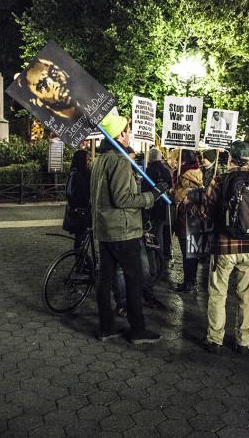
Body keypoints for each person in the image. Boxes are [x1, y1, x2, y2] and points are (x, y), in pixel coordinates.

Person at [190, 141, 249, 355]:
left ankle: (215, 339)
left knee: (218, 293)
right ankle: (243, 341)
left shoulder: (220, 180)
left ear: (230, 159)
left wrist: (192, 206)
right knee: (246, 295)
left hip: (224, 246)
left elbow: (205, 212)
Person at [90, 113, 168, 343]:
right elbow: (123, 198)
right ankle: (137, 329)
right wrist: (152, 196)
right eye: (128, 130)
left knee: (105, 280)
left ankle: (107, 327)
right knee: (134, 280)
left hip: (105, 229)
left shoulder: (100, 160)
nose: (130, 133)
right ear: (120, 134)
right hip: (123, 231)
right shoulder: (121, 160)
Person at [172, 150, 203, 292]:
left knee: (186, 254)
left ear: (183, 161)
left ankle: (188, 283)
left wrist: (173, 192)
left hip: (186, 219)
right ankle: (192, 281)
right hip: (197, 219)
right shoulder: (199, 173)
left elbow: (178, 197)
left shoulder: (184, 175)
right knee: (193, 253)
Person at [63, 149, 91, 249]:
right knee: (80, 237)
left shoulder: (83, 173)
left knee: (81, 237)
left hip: (81, 210)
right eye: (87, 160)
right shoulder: (76, 174)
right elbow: (73, 194)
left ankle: (82, 260)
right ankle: (81, 260)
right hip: (79, 211)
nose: (89, 162)